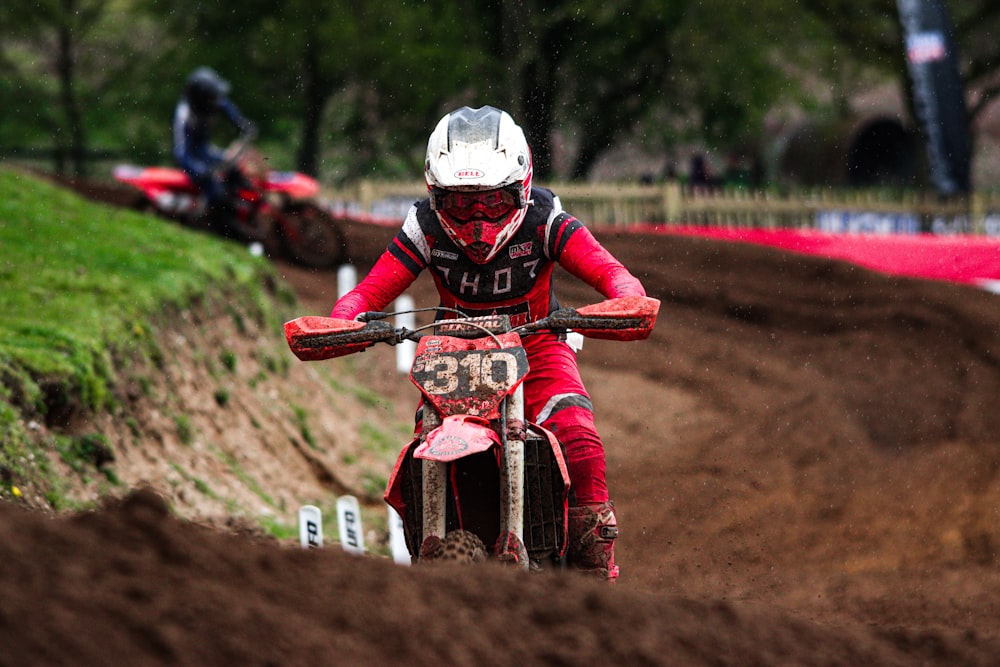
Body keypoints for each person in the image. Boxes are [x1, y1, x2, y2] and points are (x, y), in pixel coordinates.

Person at [329, 105, 650, 581]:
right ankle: (425, 560)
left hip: (537, 347)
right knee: (422, 449)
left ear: (519, 187)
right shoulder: (424, 227)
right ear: (436, 195)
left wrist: (625, 301)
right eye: (461, 203)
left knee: (579, 437)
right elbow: (368, 292)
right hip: (451, 354)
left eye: (491, 202)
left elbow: (613, 274)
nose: (477, 220)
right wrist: (342, 322)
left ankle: (592, 579)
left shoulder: (545, 220)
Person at [172, 66, 254, 232]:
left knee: (235, 170)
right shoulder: (185, 114)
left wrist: (242, 124)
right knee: (216, 190)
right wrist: (200, 170)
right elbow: (181, 152)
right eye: (212, 96)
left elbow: (228, 108)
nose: (217, 100)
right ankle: (223, 226)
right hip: (191, 158)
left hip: (204, 150)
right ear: (201, 97)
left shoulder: (212, 102)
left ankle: (244, 209)